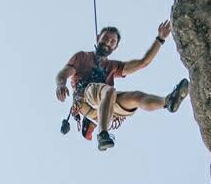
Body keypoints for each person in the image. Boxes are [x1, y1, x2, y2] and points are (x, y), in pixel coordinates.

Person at [55, 20, 190, 151]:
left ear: (115, 47)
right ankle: (102, 135)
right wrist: (61, 85)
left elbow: (143, 63)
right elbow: (64, 73)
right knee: (108, 91)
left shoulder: (113, 66)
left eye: (112, 42)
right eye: (105, 38)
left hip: (104, 107)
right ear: (98, 38)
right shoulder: (82, 57)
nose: (108, 42)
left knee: (136, 97)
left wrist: (160, 39)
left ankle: (167, 102)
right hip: (84, 97)